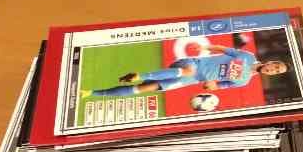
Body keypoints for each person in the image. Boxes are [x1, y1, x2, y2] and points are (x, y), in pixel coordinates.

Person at [81, 43, 289, 99]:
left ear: (272, 75)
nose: (272, 69)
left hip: (192, 79)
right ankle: (139, 75)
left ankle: (92, 93)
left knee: (144, 89)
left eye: (276, 72)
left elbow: (218, 87)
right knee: (188, 71)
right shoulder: (247, 56)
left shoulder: (243, 82)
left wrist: (212, 86)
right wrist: (204, 47)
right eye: (275, 66)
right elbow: (222, 49)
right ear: (270, 62)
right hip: (192, 64)